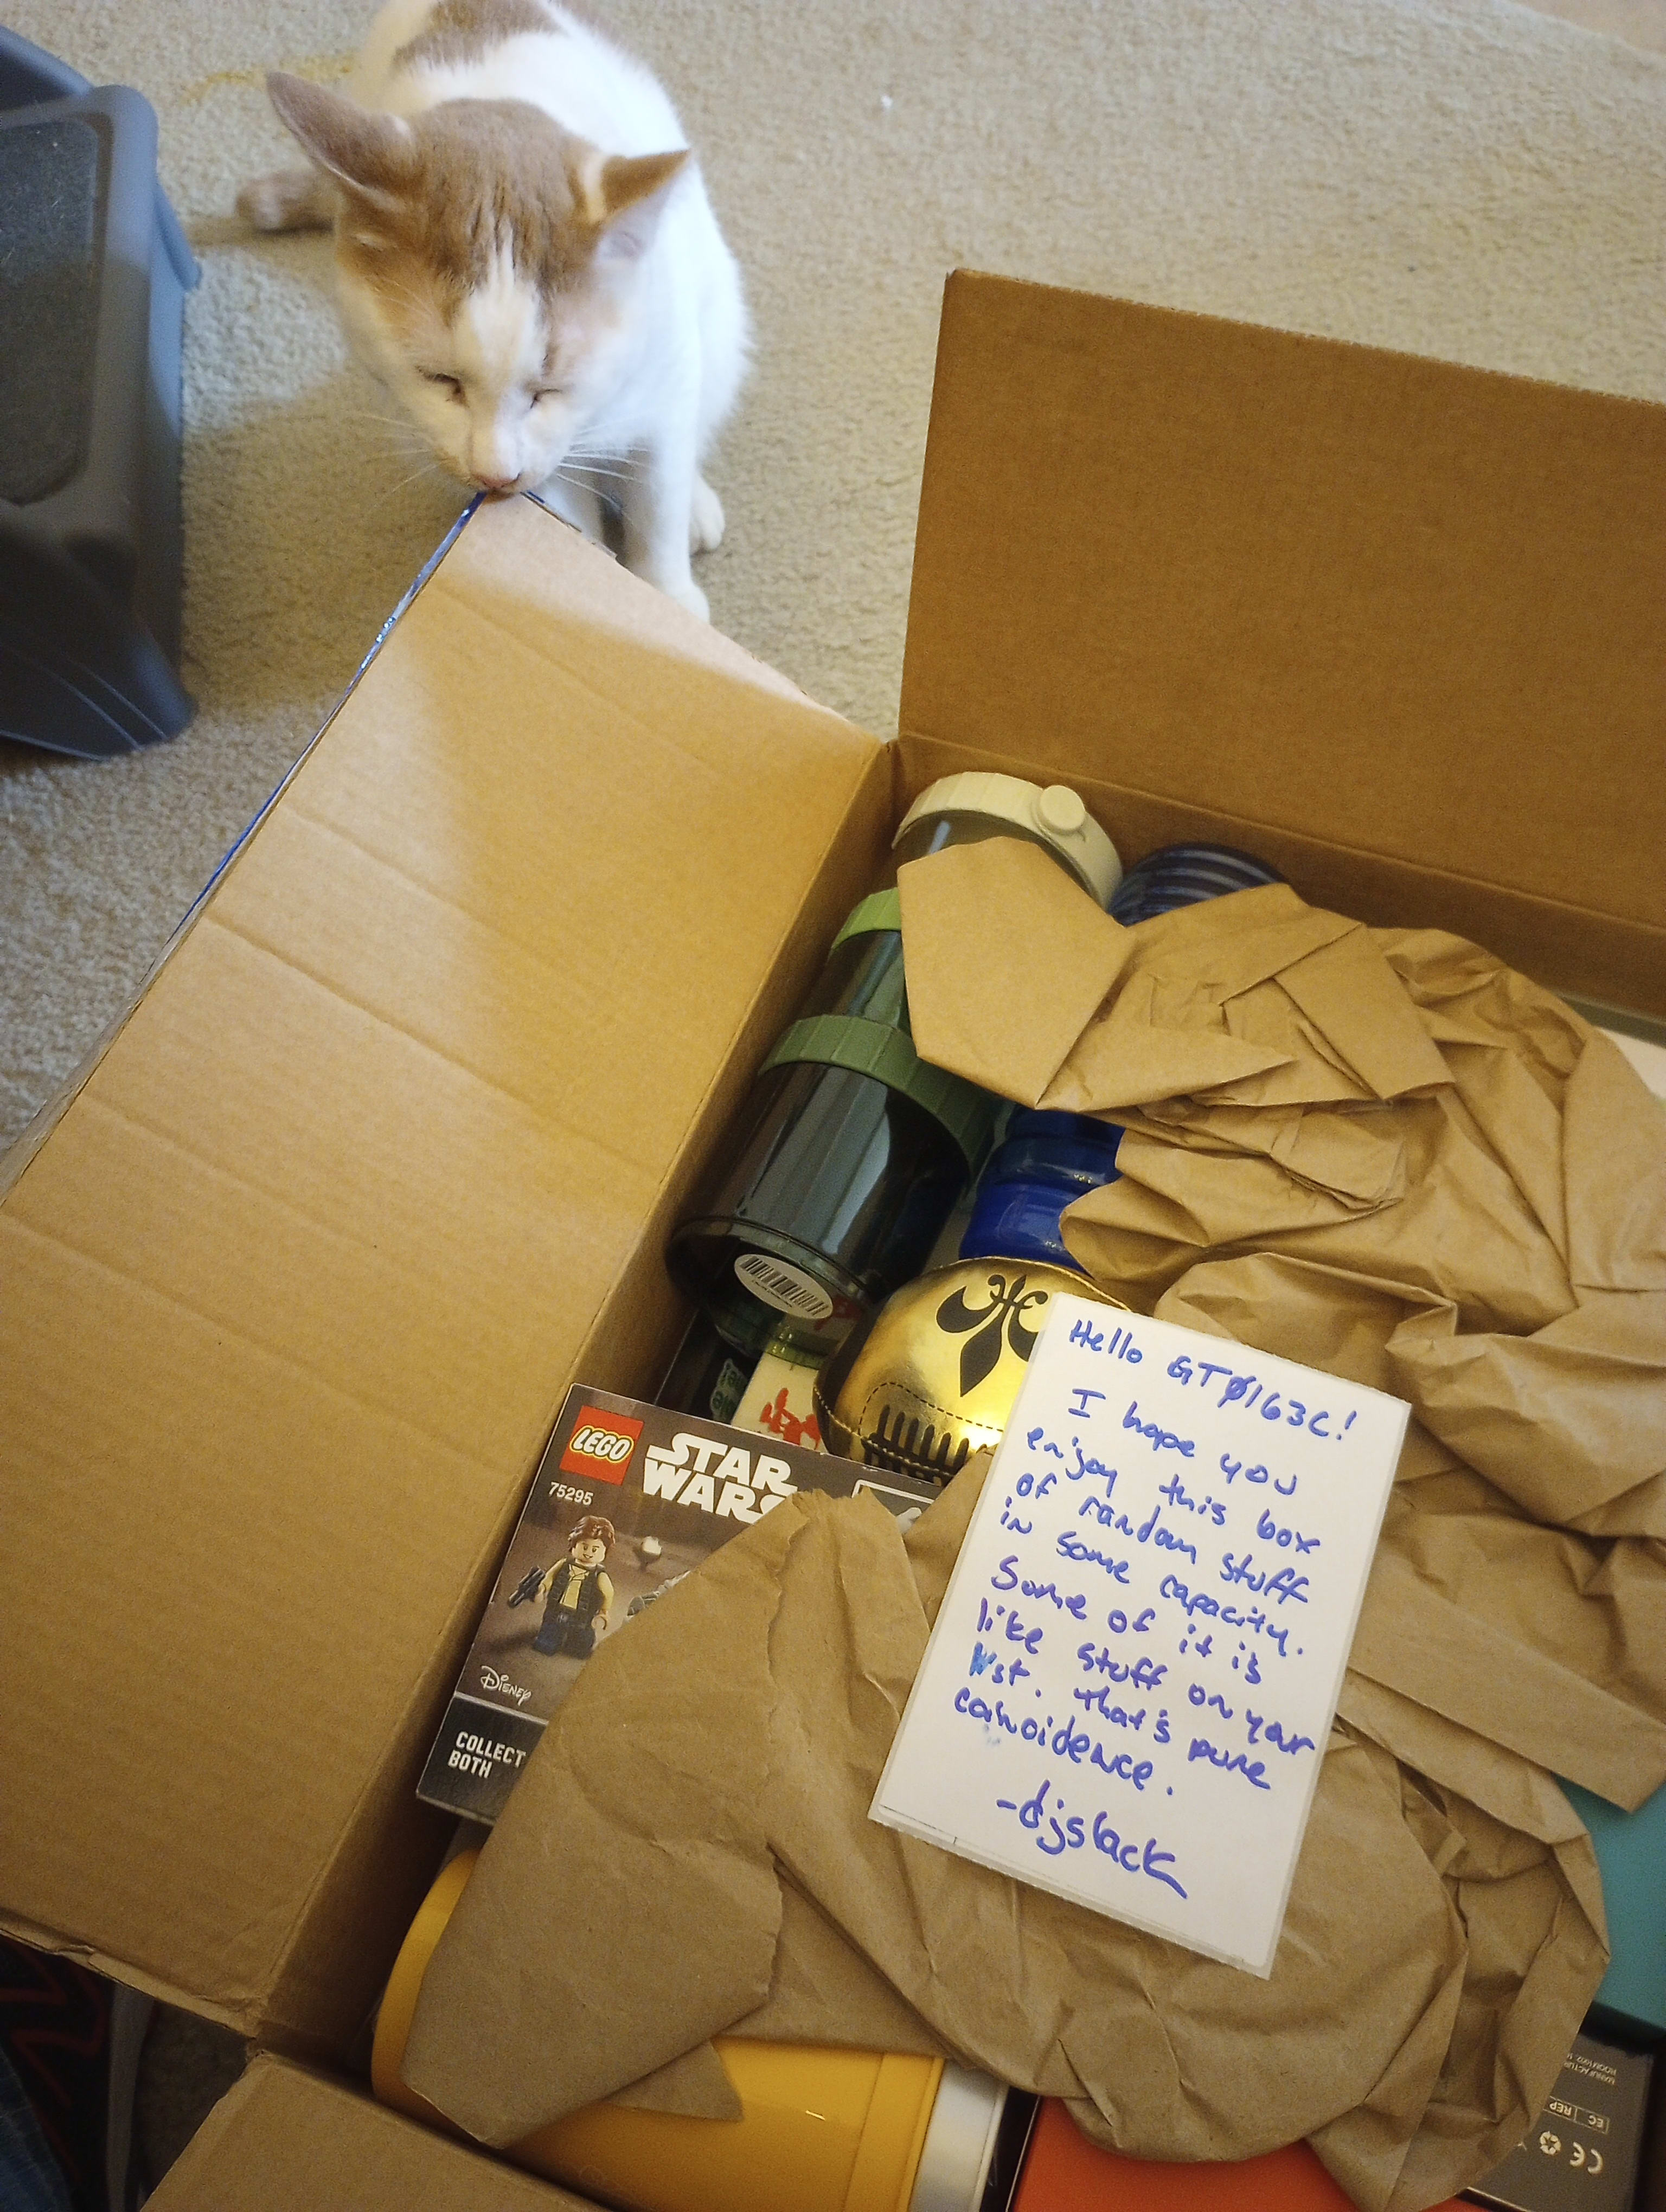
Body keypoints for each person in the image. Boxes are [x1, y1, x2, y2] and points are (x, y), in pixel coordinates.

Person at [530, 1517, 616, 1660]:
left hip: (583, 1614)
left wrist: (604, 1611)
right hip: (556, 1608)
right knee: (550, 1631)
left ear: (605, 1552)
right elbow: (549, 1577)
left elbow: (608, 1593)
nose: (589, 1553)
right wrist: (542, 1589)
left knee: (580, 1640)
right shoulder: (564, 1564)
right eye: (584, 1546)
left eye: (595, 1549)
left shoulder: (599, 1575)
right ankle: (549, 1640)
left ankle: (577, 1646)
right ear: (574, 1544)